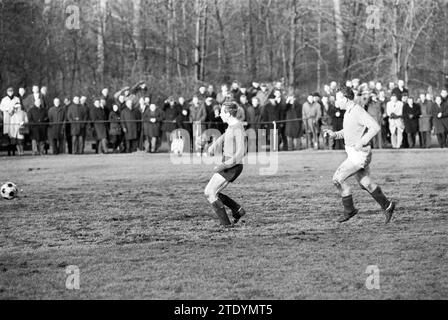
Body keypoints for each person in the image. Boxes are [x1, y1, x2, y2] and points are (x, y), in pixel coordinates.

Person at [324, 86, 396, 224]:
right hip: (354, 153)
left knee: (337, 179)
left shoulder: (357, 111)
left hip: (359, 154)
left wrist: (362, 141)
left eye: (338, 98)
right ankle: (388, 206)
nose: (335, 101)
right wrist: (336, 134)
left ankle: (349, 210)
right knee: (365, 182)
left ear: (345, 99)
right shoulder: (349, 111)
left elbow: (375, 127)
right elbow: (349, 130)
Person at [205, 102, 246, 227]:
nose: (220, 114)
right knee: (212, 192)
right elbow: (226, 135)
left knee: (210, 192)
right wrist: (214, 145)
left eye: (222, 112)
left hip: (232, 166)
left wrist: (223, 166)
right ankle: (238, 210)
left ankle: (226, 225)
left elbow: (240, 153)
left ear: (228, 113)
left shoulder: (238, 127)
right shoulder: (232, 126)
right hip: (230, 165)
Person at [0, 87, 21, 156]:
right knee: (7, 135)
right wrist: (7, 109)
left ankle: (13, 152)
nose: (10, 92)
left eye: (11, 91)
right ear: (7, 92)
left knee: (13, 135)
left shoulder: (16, 99)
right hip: (7, 118)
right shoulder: (4, 99)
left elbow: (18, 106)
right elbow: (1, 107)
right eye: (9, 91)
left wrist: (14, 110)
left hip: (14, 118)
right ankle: (9, 152)